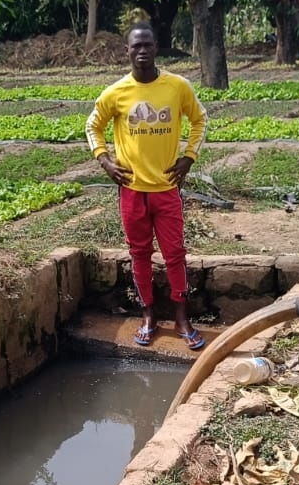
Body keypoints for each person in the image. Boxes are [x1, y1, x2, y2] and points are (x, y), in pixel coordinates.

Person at [86, 23, 208, 350]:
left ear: (157, 49)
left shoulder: (177, 87)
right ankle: (148, 315)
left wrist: (189, 157)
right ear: (127, 51)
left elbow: (199, 120)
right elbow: (92, 126)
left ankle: (182, 318)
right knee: (139, 253)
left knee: (175, 255)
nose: (142, 52)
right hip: (132, 190)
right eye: (136, 46)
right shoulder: (116, 93)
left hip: (166, 188)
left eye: (148, 45)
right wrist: (105, 160)